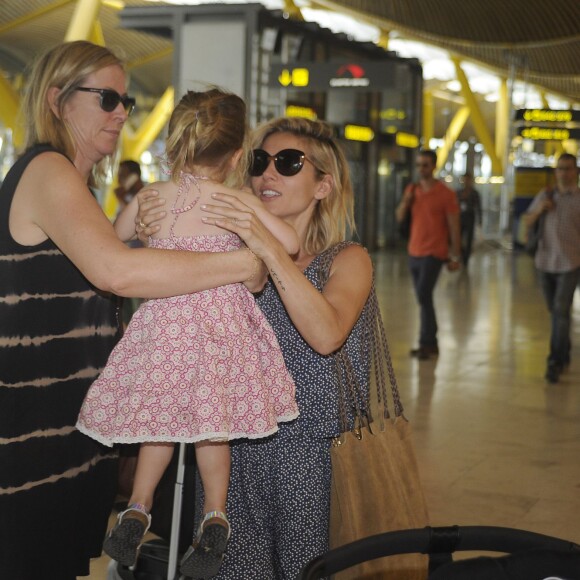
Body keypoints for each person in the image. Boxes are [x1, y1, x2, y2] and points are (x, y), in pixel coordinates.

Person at [0, 41, 264, 580]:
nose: (122, 111)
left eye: (127, 101)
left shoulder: (75, 184)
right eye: (108, 98)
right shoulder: (49, 170)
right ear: (57, 100)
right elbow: (117, 272)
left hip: (61, 428)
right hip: (32, 435)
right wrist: (241, 264)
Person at [136, 116, 374, 579]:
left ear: (324, 185)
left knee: (307, 572)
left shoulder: (346, 260)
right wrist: (150, 226)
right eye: (260, 161)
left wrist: (263, 242)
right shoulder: (227, 255)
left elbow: (325, 335)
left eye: (288, 163)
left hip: (308, 460)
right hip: (227, 451)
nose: (267, 174)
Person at [76, 88, 300, 578]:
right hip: (221, 336)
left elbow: (112, 238)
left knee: (160, 423)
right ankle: (215, 515)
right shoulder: (236, 199)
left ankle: (137, 506)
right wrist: (253, 228)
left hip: (165, 333)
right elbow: (290, 241)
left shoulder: (152, 195)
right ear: (238, 154)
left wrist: (143, 218)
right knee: (210, 430)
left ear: (176, 142)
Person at [396, 149, 461, 360]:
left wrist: (455, 256)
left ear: (433, 166)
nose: (421, 169)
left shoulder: (446, 194)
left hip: (435, 252)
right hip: (414, 250)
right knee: (423, 298)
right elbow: (399, 218)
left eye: (425, 165)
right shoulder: (412, 190)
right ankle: (431, 342)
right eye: (418, 165)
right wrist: (406, 201)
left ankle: (426, 342)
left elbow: (454, 226)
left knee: (424, 295)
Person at [523, 153, 580, 384]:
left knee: (560, 309)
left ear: (575, 172)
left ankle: (554, 359)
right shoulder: (546, 195)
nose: (563, 173)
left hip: (570, 262)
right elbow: (526, 220)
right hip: (544, 261)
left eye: (567, 168)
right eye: (560, 169)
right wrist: (540, 210)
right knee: (555, 311)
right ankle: (563, 349)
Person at [455, 171, 482, 266]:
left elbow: (479, 207)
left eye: (468, 180)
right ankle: (462, 254)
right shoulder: (458, 192)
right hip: (460, 217)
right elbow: (454, 206)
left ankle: (466, 258)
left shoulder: (474, 193)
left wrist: (480, 222)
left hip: (470, 217)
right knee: (459, 238)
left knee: (469, 239)